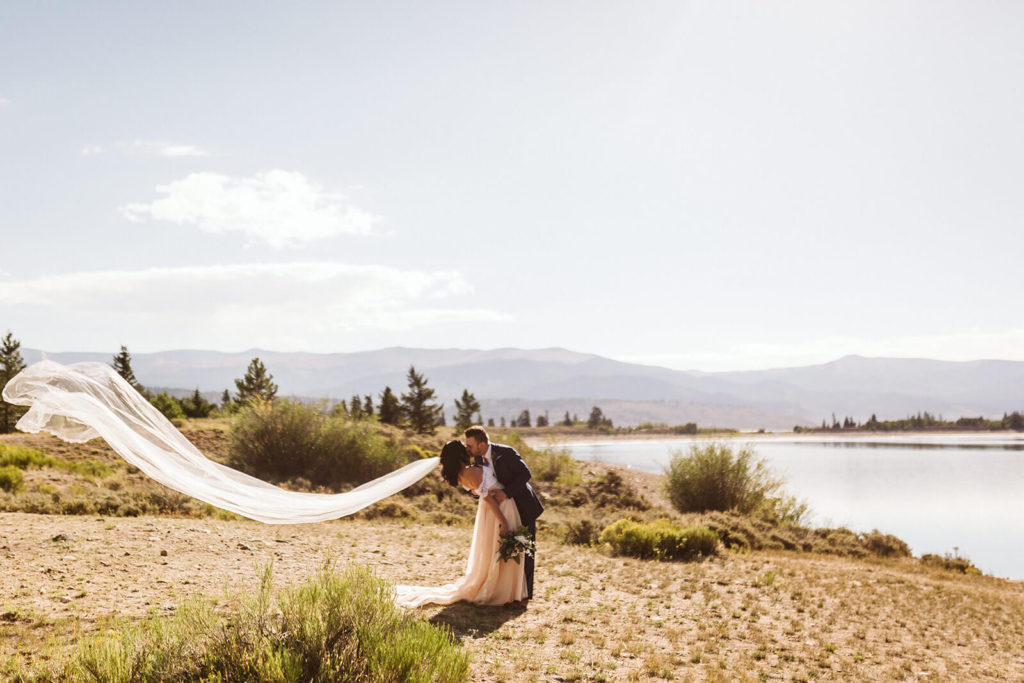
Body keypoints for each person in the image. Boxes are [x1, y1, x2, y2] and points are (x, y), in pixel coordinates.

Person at [394, 439, 529, 607]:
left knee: (493, 549)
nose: (467, 450)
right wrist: (503, 522)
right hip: (500, 509)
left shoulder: (460, 475)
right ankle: (501, 591)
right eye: (464, 448)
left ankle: (503, 589)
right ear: (459, 455)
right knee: (499, 547)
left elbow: (480, 492)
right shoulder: (472, 472)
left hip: (488, 512)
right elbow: (489, 499)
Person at [464, 425, 543, 601]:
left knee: (525, 548)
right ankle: (506, 591)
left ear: (482, 445)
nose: (467, 449)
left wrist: (506, 492)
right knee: (504, 548)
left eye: (470, 445)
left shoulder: (506, 452)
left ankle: (524, 596)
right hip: (501, 511)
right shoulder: (476, 459)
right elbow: (479, 484)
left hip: (523, 505)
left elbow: (525, 474)